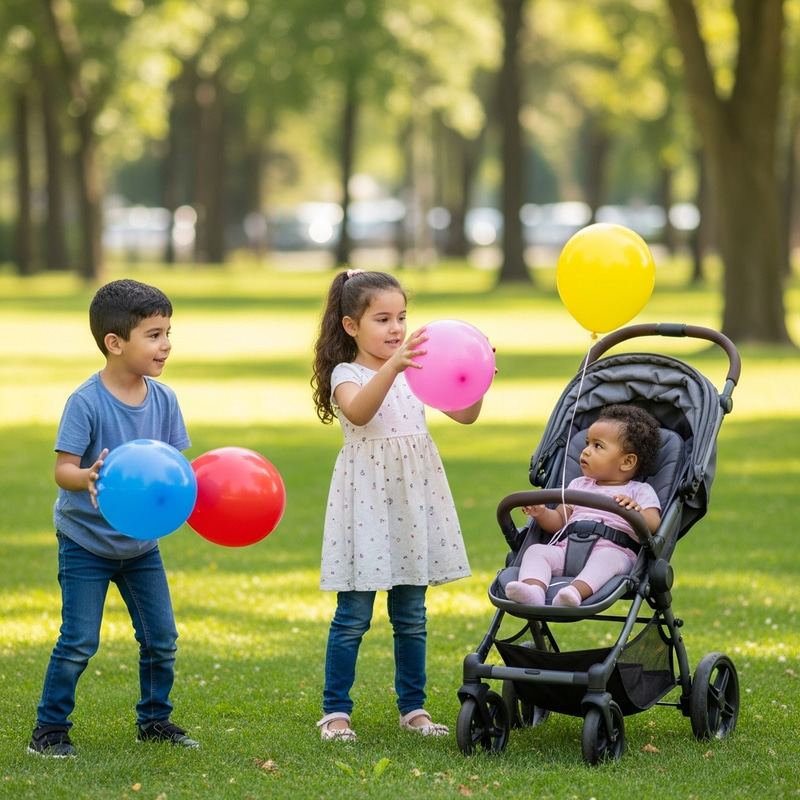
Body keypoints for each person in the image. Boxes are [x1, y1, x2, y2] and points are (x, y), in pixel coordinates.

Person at [27, 279, 198, 757]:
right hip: (86, 541)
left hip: (141, 545)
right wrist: (87, 477)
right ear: (115, 343)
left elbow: (173, 470)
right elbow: (62, 469)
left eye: (168, 332)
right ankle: (50, 730)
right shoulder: (86, 401)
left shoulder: (164, 400)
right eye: (154, 334)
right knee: (79, 640)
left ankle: (155, 720)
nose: (166, 344)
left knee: (161, 638)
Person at [311, 268, 483, 741]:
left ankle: (414, 708)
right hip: (366, 504)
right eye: (383, 319)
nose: (396, 329)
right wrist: (395, 366)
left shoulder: (418, 370)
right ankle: (335, 711)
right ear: (351, 326)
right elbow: (360, 411)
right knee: (353, 616)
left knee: (412, 615)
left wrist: (479, 372)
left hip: (412, 503)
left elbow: (465, 413)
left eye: (402, 317)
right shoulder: (347, 374)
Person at [505, 404, 662, 608]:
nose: (585, 451)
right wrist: (542, 513)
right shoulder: (578, 485)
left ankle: (573, 592)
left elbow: (653, 525)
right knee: (536, 551)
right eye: (587, 443)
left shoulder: (639, 491)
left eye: (597, 446)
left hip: (614, 552)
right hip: (567, 549)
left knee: (607, 558)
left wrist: (637, 511)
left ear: (627, 462)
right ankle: (534, 591)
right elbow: (560, 521)